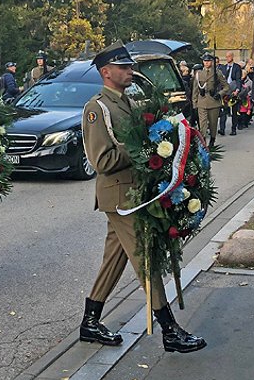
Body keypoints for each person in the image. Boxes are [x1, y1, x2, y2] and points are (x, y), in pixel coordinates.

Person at [79, 41, 206, 353]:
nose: (129, 71)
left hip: (135, 194)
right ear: (105, 72)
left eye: (129, 66)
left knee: (115, 259)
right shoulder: (98, 109)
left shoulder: (127, 102)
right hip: (121, 199)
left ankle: (90, 322)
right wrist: (144, 148)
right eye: (122, 67)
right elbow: (102, 161)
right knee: (145, 261)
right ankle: (170, 330)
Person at [192, 53, 229, 148]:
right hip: (202, 101)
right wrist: (194, 103)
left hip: (213, 101)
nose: (206, 63)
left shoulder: (217, 73)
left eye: (208, 61)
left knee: (213, 124)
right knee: (202, 124)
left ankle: (212, 140)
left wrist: (219, 94)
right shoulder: (199, 74)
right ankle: (203, 141)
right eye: (205, 61)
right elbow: (195, 90)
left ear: (212, 62)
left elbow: (226, 87)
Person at [218, 52, 244, 136]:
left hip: (233, 90)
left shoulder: (236, 67)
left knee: (234, 111)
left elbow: (238, 79)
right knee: (223, 111)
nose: (227, 58)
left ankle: (233, 129)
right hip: (225, 91)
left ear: (232, 57)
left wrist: (237, 90)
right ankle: (222, 129)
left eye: (229, 56)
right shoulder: (223, 68)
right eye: (226, 57)